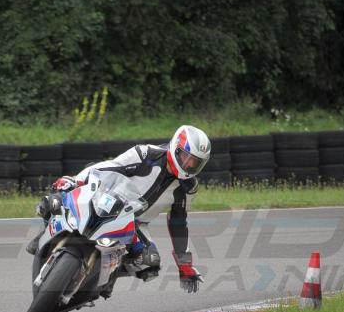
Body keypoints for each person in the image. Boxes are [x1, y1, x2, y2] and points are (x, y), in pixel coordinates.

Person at [26, 124, 210, 293]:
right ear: (176, 147)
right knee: (55, 199)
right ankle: (45, 231)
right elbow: (109, 167)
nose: (189, 165)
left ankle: (106, 278)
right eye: (186, 158)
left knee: (150, 264)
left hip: (136, 223)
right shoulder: (146, 154)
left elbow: (179, 224)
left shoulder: (188, 187)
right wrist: (75, 181)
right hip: (108, 200)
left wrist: (184, 266)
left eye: (195, 163)